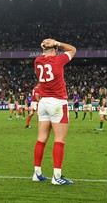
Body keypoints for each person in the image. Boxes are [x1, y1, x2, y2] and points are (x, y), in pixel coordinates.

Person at [32, 38, 76, 185]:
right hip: (57, 102)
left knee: (41, 138)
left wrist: (46, 45)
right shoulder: (59, 60)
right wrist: (57, 42)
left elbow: (44, 54)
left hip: (43, 103)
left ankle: (37, 173)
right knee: (59, 140)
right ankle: (57, 177)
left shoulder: (38, 61)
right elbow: (72, 49)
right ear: (56, 50)